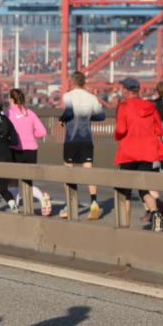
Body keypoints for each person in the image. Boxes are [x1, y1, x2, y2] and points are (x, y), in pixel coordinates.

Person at [113, 77, 163, 232]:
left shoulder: (123, 106)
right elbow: (159, 130)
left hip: (128, 152)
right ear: (137, 90)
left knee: (125, 190)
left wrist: (118, 136)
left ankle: (124, 226)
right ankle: (155, 213)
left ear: (125, 90)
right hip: (147, 152)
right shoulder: (150, 106)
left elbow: (120, 130)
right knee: (144, 187)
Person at [57, 71, 105, 220]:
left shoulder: (68, 96)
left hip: (71, 140)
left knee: (69, 173)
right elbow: (101, 116)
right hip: (86, 140)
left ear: (72, 82)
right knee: (89, 173)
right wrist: (89, 116)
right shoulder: (91, 97)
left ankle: (69, 205)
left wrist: (61, 119)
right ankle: (94, 203)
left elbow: (69, 112)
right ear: (84, 82)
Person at [7, 89, 51, 216]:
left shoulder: (8, 114)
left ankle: (15, 208)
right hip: (31, 150)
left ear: (11, 100)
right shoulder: (30, 113)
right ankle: (42, 197)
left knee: (13, 181)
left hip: (15, 150)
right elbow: (42, 132)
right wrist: (31, 135)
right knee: (28, 182)